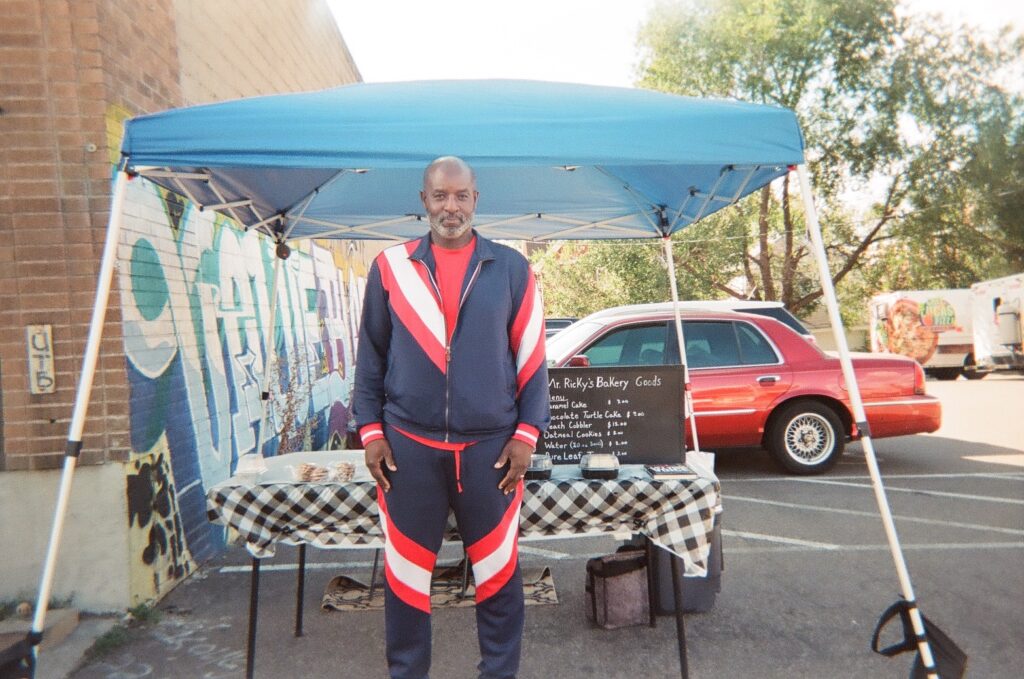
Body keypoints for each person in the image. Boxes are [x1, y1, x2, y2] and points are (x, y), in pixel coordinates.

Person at [353, 156, 550, 679]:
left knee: (498, 575)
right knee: (405, 580)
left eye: (461, 196)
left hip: (491, 454)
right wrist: (371, 432)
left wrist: (527, 435)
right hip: (407, 450)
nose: (451, 206)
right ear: (423, 201)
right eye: (440, 196)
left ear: (476, 201)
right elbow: (370, 356)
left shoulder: (511, 268)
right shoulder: (391, 267)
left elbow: (532, 360)